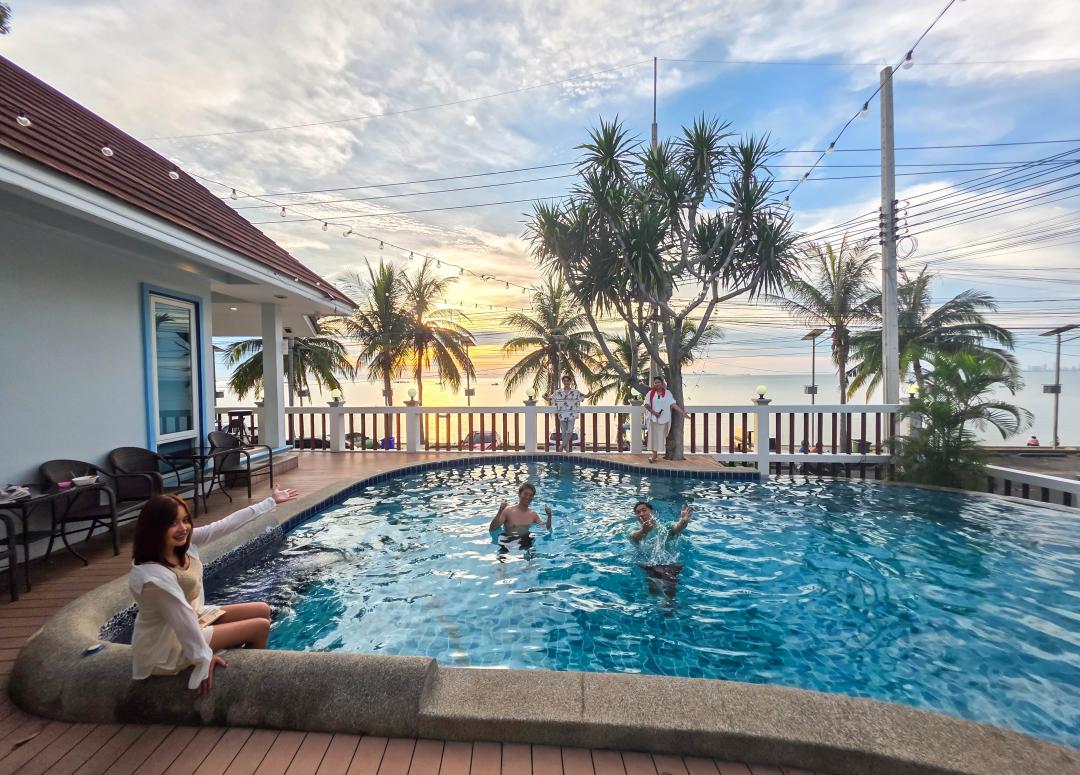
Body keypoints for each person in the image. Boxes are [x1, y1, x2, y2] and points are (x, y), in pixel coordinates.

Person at [128, 487, 298, 696]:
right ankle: (247, 683)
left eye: (185, 520)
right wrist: (202, 657)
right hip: (167, 646)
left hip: (194, 619)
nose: (182, 528)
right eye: (172, 523)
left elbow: (224, 525)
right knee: (259, 627)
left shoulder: (184, 543)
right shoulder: (152, 577)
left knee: (262, 609)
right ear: (154, 528)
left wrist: (270, 502)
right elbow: (182, 620)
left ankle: (238, 662)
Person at [629, 501, 692, 599]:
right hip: (647, 564)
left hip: (668, 563)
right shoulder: (633, 528)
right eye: (638, 512)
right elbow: (634, 537)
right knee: (654, 591)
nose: (641, 514)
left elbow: (677, 527)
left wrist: (683, 521)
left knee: (668, 588)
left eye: (644, 510)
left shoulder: (665, 527)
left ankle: (668, 603)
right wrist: (643, 531)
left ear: (652, 512)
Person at [489, 483, 552, 553]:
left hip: (525, 542)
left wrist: (549, 516)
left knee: (533, 553)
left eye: (530, 495)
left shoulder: (533, 515)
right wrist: (500, 512)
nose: (527, 497)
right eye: (525, 494)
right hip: (507, 541)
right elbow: (492, 529)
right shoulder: (508, 511)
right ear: (519, 494)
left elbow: (547, 529)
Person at [644, 377, 688, 463]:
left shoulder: (667, 393)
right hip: (653, 419)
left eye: (658, 382)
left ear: (662, 383)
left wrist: (682, 412)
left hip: (664, 419)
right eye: (655, 383)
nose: (657, 384)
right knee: (653, 437)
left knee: (661, 437)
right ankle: (654, 455)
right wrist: (654, 412)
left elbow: (672, 404)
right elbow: (646, 404)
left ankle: (659, 454)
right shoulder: (650, 393)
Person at [543, 374, 591, 452]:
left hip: (572, 414)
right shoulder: (558, 392)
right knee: (564, 433)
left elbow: (584, 396)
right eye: (564, 381)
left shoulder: (575, 392)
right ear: (563, 382)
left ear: (570, 382)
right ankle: (566, 447)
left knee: (569, 431)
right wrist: (544, 397)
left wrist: (589, 393)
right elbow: (550, 398)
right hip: (562, 414)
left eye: (567, 381)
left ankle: (562, 446)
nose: (566, 382)